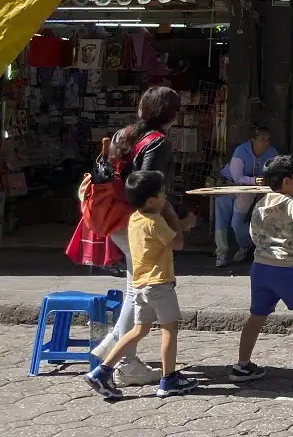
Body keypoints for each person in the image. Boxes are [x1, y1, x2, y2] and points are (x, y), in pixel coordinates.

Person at [88, 86, 190, 388]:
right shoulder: (157, 143)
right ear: (171, 114)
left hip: (117, 216)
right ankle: (123, 362)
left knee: (135, 287)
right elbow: (146, 186)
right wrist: (171, 217)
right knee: (137, 288)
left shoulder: (125, 133)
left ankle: (114, 354)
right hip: (137, 219)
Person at [83, 170, 199, 400]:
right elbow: (178, 243)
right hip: (159, 284)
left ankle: (102, 370)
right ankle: (169, 379)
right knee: (169, 329)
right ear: (151, 200)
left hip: (139, 284)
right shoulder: (155, 221)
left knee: (139, 329)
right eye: (162, 194)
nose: (165, 197)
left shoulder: (134, 218)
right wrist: (174, 218)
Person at [230, 155, 293, 382]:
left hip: (260, 267)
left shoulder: (261, 203)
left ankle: (242, 365)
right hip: (284, 269)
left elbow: (253, 234)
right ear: (286, 181)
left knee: (256, 316)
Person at [214, 126, 279, 268]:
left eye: (268, 139)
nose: (266, 142)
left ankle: (245, 246)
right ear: (253, 140)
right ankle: (222, 253)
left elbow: (275, 172)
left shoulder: (272, 152)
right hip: (227, 185)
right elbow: (237, 177)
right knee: (221, 220)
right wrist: (255, 180)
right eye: (262, 139)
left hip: (248, 190)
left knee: (237, 222)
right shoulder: (241, 151)